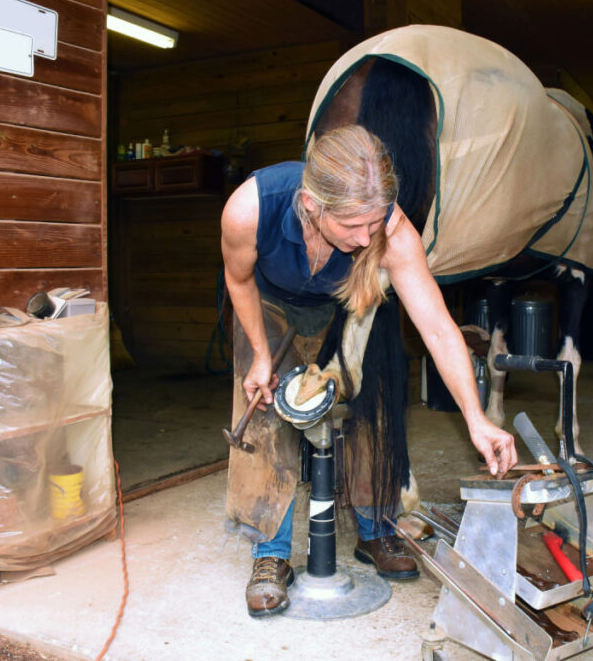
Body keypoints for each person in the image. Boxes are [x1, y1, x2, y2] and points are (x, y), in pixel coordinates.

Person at [221, 124, 518, 618]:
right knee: (266, 413)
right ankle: (270, 555)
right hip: (271, 304)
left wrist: (476, 417)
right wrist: (260, 353)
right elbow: (239, 277)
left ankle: (376, 527)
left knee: (371, 403)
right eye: (353, 226)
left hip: (349, 301)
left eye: (374, 223)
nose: (365, 238)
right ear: (313, 205)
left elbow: (440, 330)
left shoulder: (390, 233)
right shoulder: (250, 209)